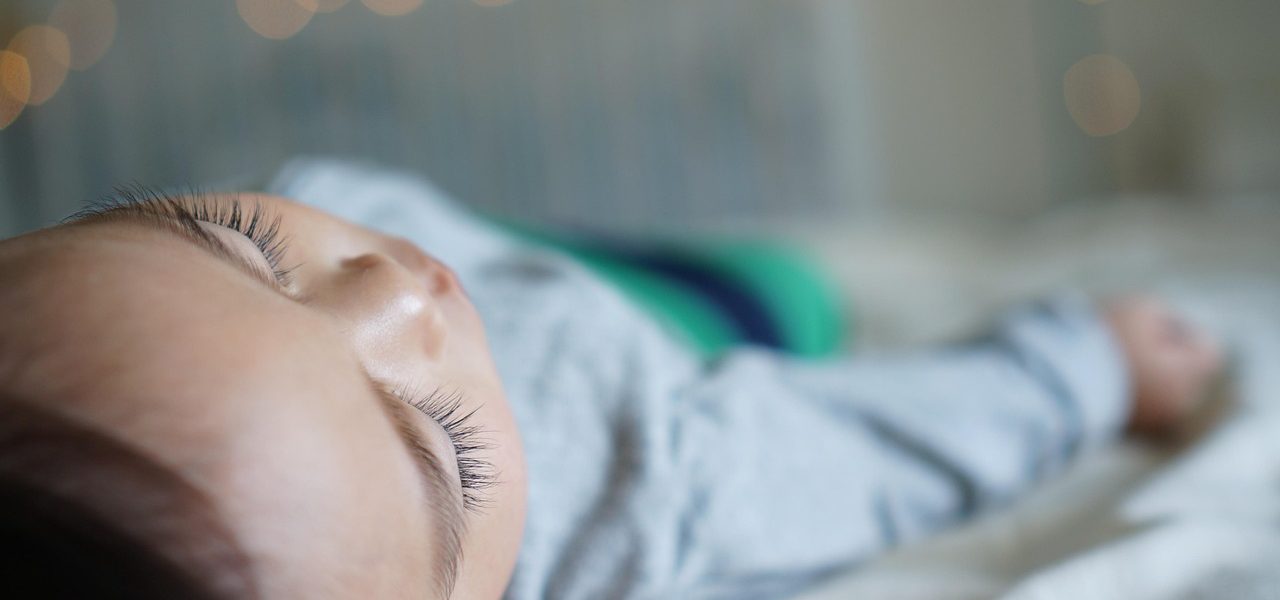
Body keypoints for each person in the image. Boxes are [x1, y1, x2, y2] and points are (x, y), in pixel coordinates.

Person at [0, 160, 1222, 599]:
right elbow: (861, 453)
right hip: (693, 326)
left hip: (533, 257)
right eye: (440, 446)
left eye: (231, 242)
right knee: (787, 289)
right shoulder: (635, 495)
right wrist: (1085, 369)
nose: (396, 294)